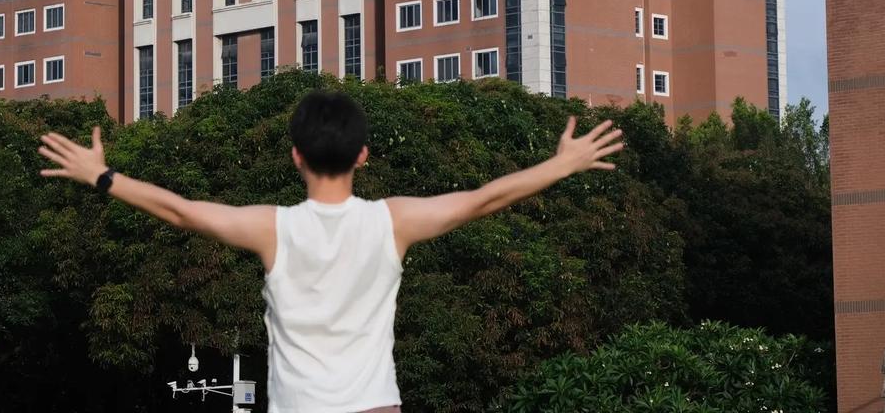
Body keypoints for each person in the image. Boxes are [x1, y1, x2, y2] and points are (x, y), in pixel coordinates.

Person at [38, 89, 624, 413]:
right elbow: (484, 199)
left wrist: (102, 175)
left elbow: (182, 211)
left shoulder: (273, 230)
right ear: (363, 154)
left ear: (294, 155)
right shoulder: (392, 222)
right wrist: (562, 163)